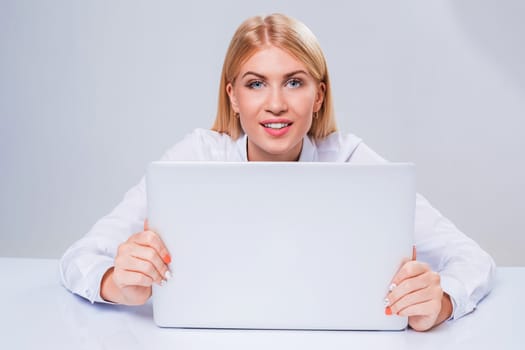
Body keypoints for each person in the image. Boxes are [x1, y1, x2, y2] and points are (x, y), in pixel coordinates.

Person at [60, 13, 495, 332]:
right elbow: (78, 257)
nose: (275, 104)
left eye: (294, 82)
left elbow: (473, 259)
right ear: (232, 96)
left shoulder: (349, 160)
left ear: (319, 95)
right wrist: (116, 282)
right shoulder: (194, 158)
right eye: (255, 84)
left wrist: (438, 301)